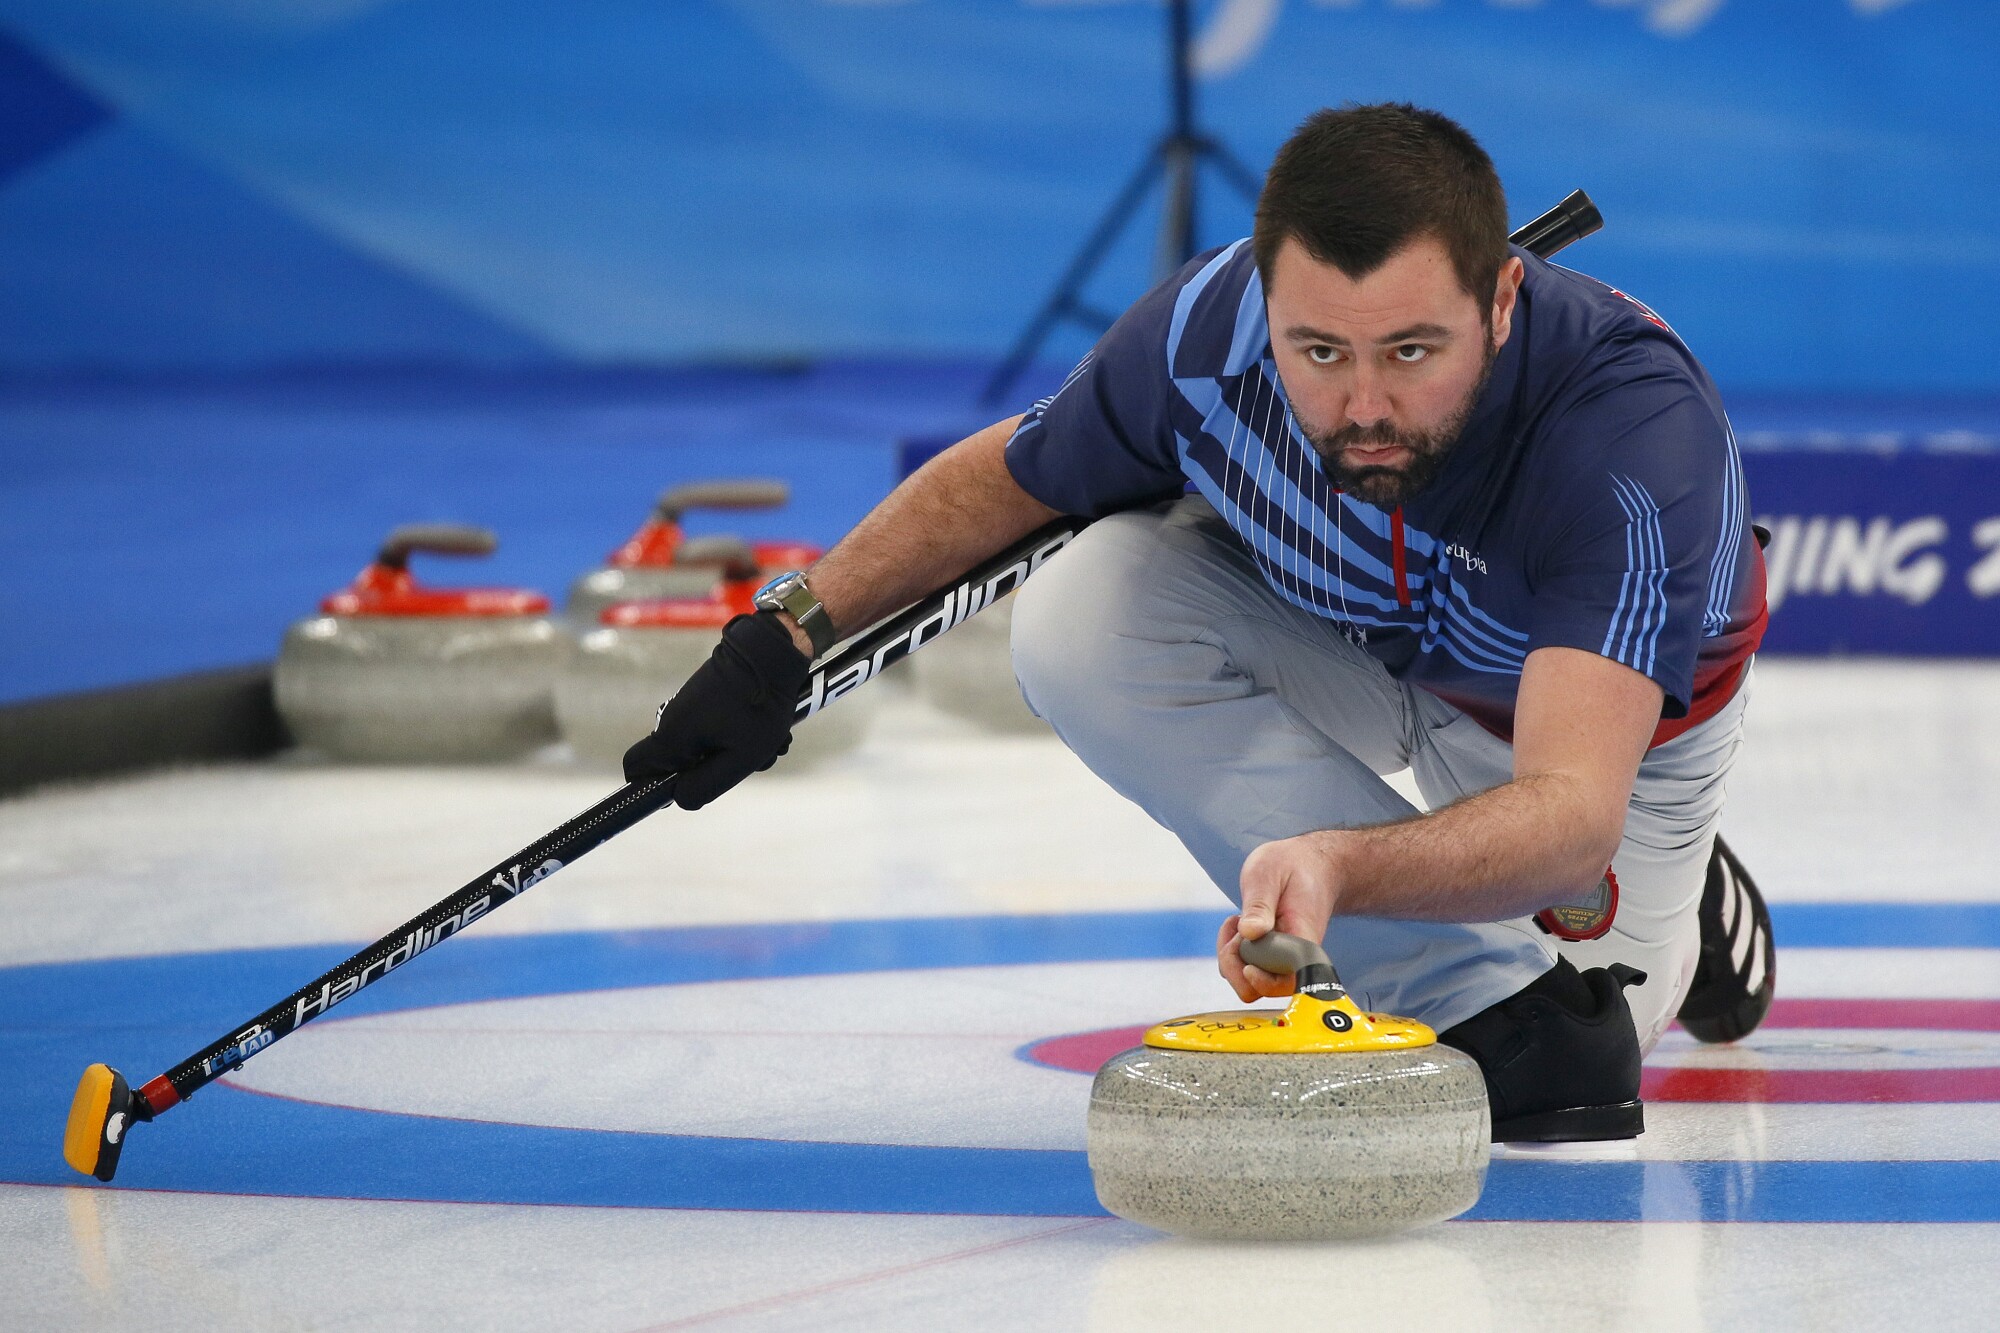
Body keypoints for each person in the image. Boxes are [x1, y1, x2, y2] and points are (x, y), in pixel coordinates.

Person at [624, 102, 1774, 1143]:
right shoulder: (1205, 333)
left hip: (1579, 740)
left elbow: (1568, 820)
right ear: (1264, 304)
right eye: (1316, 351)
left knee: (1586, 1069)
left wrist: (1334, 863)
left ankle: (1691, 911)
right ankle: (1465, 982)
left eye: (1410, 352)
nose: (1363, 406)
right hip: (1358, 639)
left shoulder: (1628, 436)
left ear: (1504, 298)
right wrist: (784, 638)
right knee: (1083, 603)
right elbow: (1011, 479)